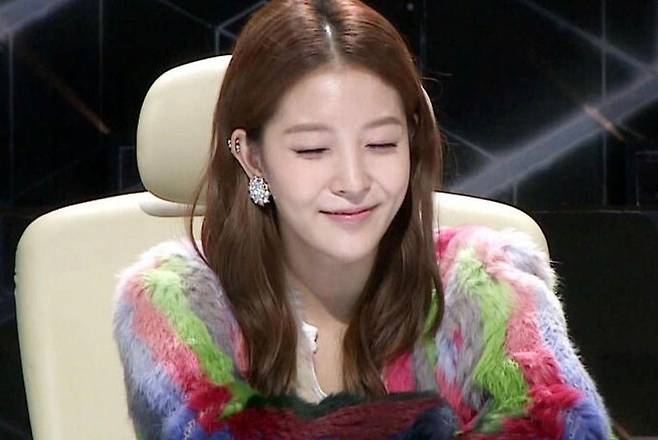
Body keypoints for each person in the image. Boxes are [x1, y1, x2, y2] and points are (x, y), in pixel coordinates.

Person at [113, 0, 614, 438]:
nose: (353, 181)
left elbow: (565, 423)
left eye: (381, 144)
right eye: (313, 149)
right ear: (251, 157)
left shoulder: (485, 285)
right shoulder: (176, 306)